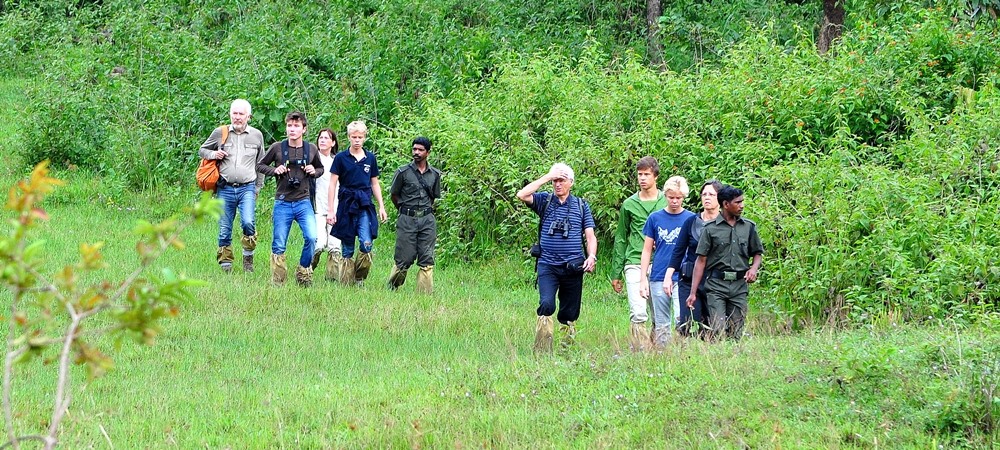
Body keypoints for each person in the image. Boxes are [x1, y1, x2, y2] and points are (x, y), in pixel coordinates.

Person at [516, 163, 597, 354]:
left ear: (571, 182)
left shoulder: (581, 206)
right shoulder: (544, 200)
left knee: (569, 312)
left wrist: (591, 256)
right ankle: (543, 349)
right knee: (546, 304)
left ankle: (566, 349)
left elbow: (590, 236)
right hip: (547, 265)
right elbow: (522, 195)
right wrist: (547, 176)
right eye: (555, 181)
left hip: (573, 266)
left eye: (561, 180)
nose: (558, 184)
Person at [686, 185, 763, 341]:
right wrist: (693, 293)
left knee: (736, 331)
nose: (742, 206)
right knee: (717, 329)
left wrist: (753, 269)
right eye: (737, 202)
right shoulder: (710, 229)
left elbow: (757, 253)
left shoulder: (748, 227)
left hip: (739, 286)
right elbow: (701, 261)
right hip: (716, 286)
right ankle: (717, 359)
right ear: (726, 204)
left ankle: (734, 361)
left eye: (742, 202)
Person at [256, 111, 324, 286]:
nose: (292, 129)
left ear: (304, 129)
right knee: (279, 243)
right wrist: (275, 170)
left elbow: (320, 169)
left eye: (296, 126)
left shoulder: (311, 149)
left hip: (303, 201)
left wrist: (313, 171)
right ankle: (278, 281)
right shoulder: (277, 147)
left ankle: (303, 273)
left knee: (311, 237)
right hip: (283, 201)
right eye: (289, 125)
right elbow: (260, 165)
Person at [198, 99, 266, 273]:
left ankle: (248, 259)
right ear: (230, 114)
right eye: (234, 113)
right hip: (225, 188)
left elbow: (261, 164)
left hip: (247, 187)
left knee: (248, 222)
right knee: (224, 228)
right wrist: (214, 153)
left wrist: (258, 187)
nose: (237, 117)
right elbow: (202, 150)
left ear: (248, 117)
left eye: (241, 114)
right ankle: (226, 264)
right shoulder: (220, 133)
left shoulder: (257, 135)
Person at [610, 157, 666, 352]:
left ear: (655, 176)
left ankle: (659, 351)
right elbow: (621, 238)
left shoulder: (666, 201)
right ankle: (642, 351)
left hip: (661, 264)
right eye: (639, 174)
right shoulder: (629, 204)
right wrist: (616, 272)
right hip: (634, 261)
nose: (642, 178)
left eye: (646, 174)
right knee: (638, 312)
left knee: (659, 313)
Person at [327, 120, 389, 286]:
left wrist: (382, 206)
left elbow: (374, 183)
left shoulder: (370, 158)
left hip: (364, 204)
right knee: (347, 246)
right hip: (346, 204)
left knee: (366, 242)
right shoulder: (341, 158)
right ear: (348, 137)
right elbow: (332, 183)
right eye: (354, 137)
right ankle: (346, 281)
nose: (357, 140)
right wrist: (331, 210)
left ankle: (359, 276)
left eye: (360, 137)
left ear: (364, 138)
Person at [638, 176, 695, 347]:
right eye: (671, 197)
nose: (675, 201)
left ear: (684, 197)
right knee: (661, 321)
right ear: (665, 196)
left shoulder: (691, 219)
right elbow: (647, 249)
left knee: (681, 317)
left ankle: (684, 352)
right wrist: (643, 279)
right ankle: (663, 354)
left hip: (683, 275)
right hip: (659, 274)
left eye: (679, 198)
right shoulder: (655, 218)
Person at [665, 180, 723, 338]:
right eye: (704, 194)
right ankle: (686, 354)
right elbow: (678, 251)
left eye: (712, 194)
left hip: (716, 282)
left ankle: (709, 357)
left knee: (714, 328)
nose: (707, 197)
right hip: (690, 280)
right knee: (688, 323)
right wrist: (668, 276)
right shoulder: (691, 222)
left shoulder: (727, 223)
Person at [387, 136, 442, 294]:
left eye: (420, 150)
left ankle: (423, 294)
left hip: (427, 220)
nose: (416, 152)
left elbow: (433, 197)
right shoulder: (403, 172)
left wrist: (424, 212)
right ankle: (393, 286)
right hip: (407, 219)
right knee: (404, 257)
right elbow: (394, 195)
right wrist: (405, 211)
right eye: (414, 149)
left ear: (428, 153)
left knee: (427, 257)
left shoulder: (435, 175)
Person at [311, 128, 343, 282]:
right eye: (320, 137)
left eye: (326, 138)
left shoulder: (338, 161)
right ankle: (307, 269)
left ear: (333, 142)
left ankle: (332, 280)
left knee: (335, 246)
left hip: (336, 208)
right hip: (317, 209)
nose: (322, 140)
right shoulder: (312, 159)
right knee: (319, 244)